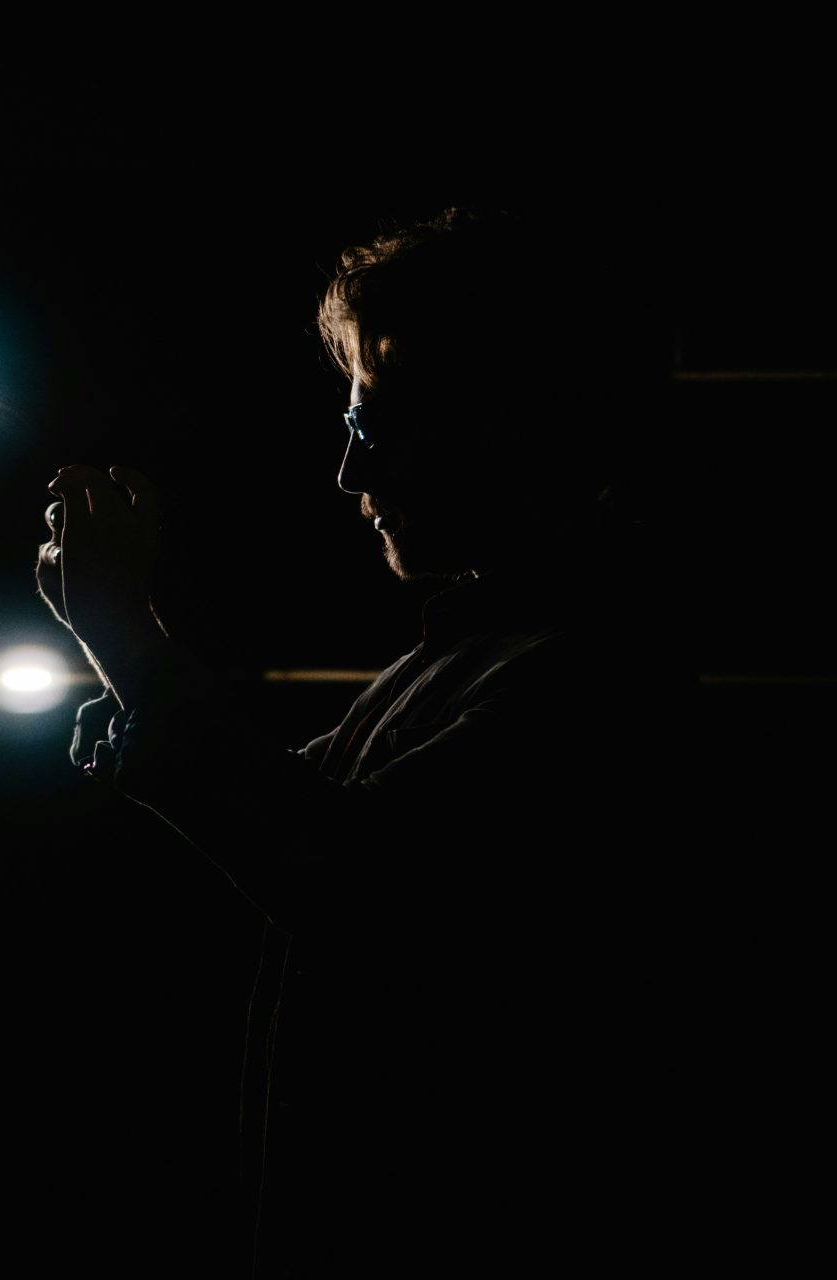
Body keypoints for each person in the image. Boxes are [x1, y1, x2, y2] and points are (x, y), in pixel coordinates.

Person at [35, 210, 689, 1271]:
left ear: (498, 421)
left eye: (374, 426)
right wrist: (131, 673)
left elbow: (354, 872)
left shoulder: (588, 669)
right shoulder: (465, 654)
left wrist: (131, 649)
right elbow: (299, 819)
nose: (347, 475)